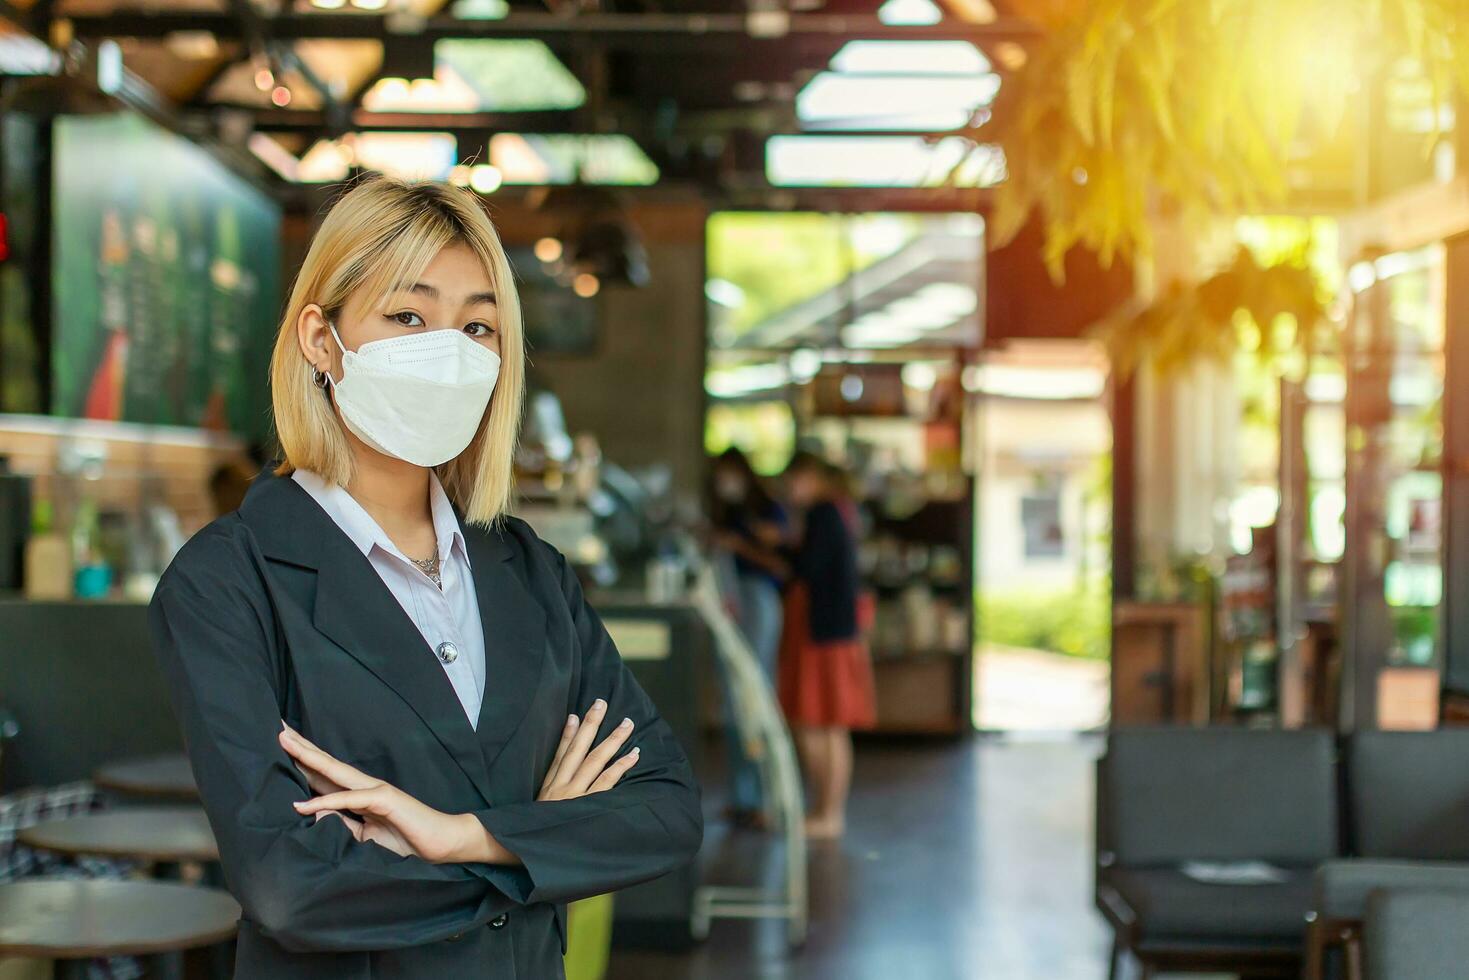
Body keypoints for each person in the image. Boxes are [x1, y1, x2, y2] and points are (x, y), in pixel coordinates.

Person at [148, 175, 703, 980]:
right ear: (319, 339)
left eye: (478, 324)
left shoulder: (528, 572)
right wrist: (536, 841)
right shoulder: (228, 582)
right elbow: (290, 886)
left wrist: (463, 836)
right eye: (408, 316)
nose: (448, 353)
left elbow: (666, 809)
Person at [776, 451, 877, 839]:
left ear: (810, 477)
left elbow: (808, 569)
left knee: (821, 724)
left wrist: (780, 549)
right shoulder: (838, 511)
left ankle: (827, 813)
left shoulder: (824, 514)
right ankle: (826, 811)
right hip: (832, 632)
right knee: (827, 725)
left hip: (824, 635)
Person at [706, 447, 786, 828]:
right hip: (731, 601)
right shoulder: (725, 511)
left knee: (756, 696)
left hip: (758, 600)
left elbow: (782, 563)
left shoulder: (768, 510)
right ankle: (744, 796)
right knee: (735, 704)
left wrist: (741, 546)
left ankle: (767, 798)